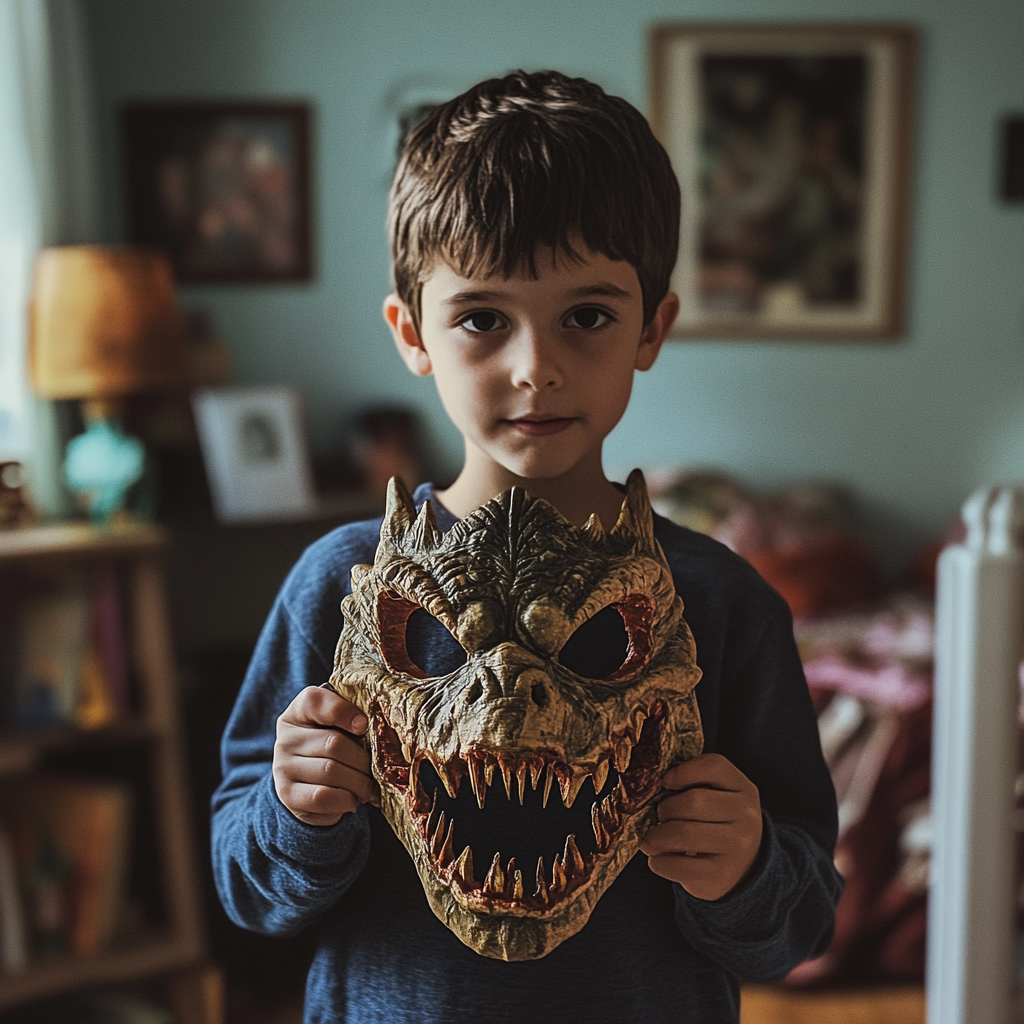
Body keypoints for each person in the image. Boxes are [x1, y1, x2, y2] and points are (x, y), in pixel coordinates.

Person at [212, 70, 842, 1024]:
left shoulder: (720, 602)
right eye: (481, 319)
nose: (535, 368)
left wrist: (749, 866)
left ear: (652, 327)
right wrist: (293, 814)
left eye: (586, 315)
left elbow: (798, 921)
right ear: (412, 332)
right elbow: (249, 888)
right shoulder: (338, 585)